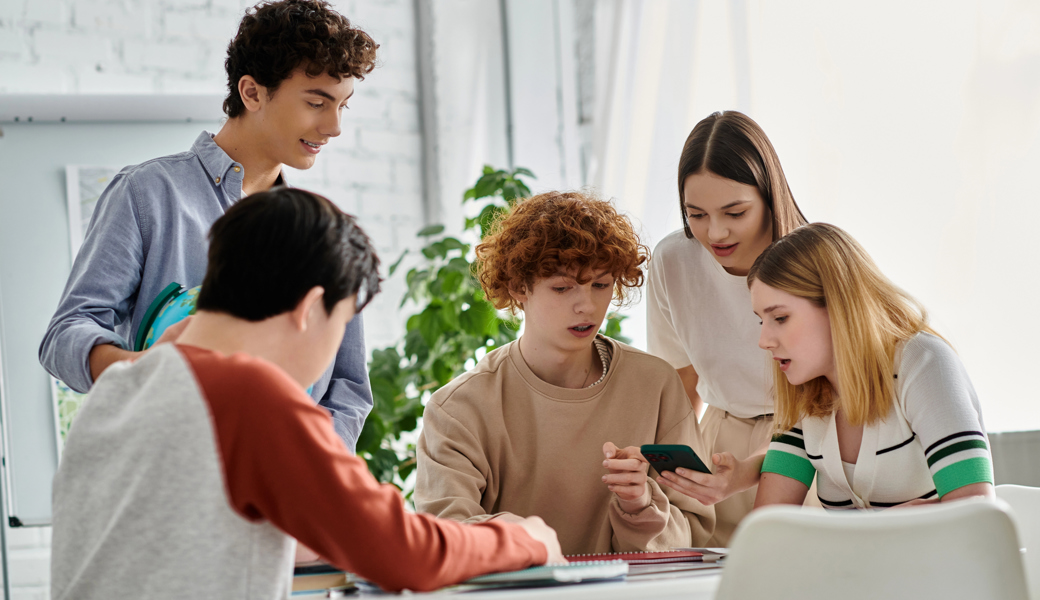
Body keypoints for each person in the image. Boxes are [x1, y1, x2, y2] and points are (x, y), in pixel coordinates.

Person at [50, 188, 563, 600]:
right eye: (341, 324)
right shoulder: (247, 394)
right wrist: (526, 539)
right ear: (310, 308)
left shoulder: (121, 386)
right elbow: (405, 554)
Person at [39, 0, 376, 450]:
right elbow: (67, 333)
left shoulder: (322, 232)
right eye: (316, 102)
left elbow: (349, 388)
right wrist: (145, 370)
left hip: (284, 495)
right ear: (252, 93)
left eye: (343, 106)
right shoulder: (149, 194)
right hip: (172, 477)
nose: (333, 127)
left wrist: (304, 465)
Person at [414, 191, 715, 555]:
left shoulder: (656, 385)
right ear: (518, 288)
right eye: (562, 287)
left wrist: (640, 507)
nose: (587, 305)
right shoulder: (458, 408)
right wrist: (531, 544)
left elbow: (695, 532)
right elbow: (447, 536)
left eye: (601, 285)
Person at [645, 110, 809, 544]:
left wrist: (753, 468)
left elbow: (833, 399)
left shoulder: (815, 260)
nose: (715, 232)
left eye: (734, 212)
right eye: (696, 214)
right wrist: (668, 470)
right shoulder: (673, 261)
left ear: (768, 195)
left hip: (807, 440)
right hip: (719, 444)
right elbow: (681, 380)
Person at [748, 223, 994, 509]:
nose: (763, 341)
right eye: (760, 320)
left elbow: (976, 510)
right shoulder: (804, 394)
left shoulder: (924, 362)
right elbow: (769, 523)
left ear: (838, 305)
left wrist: (859, 535)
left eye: (780, 318)